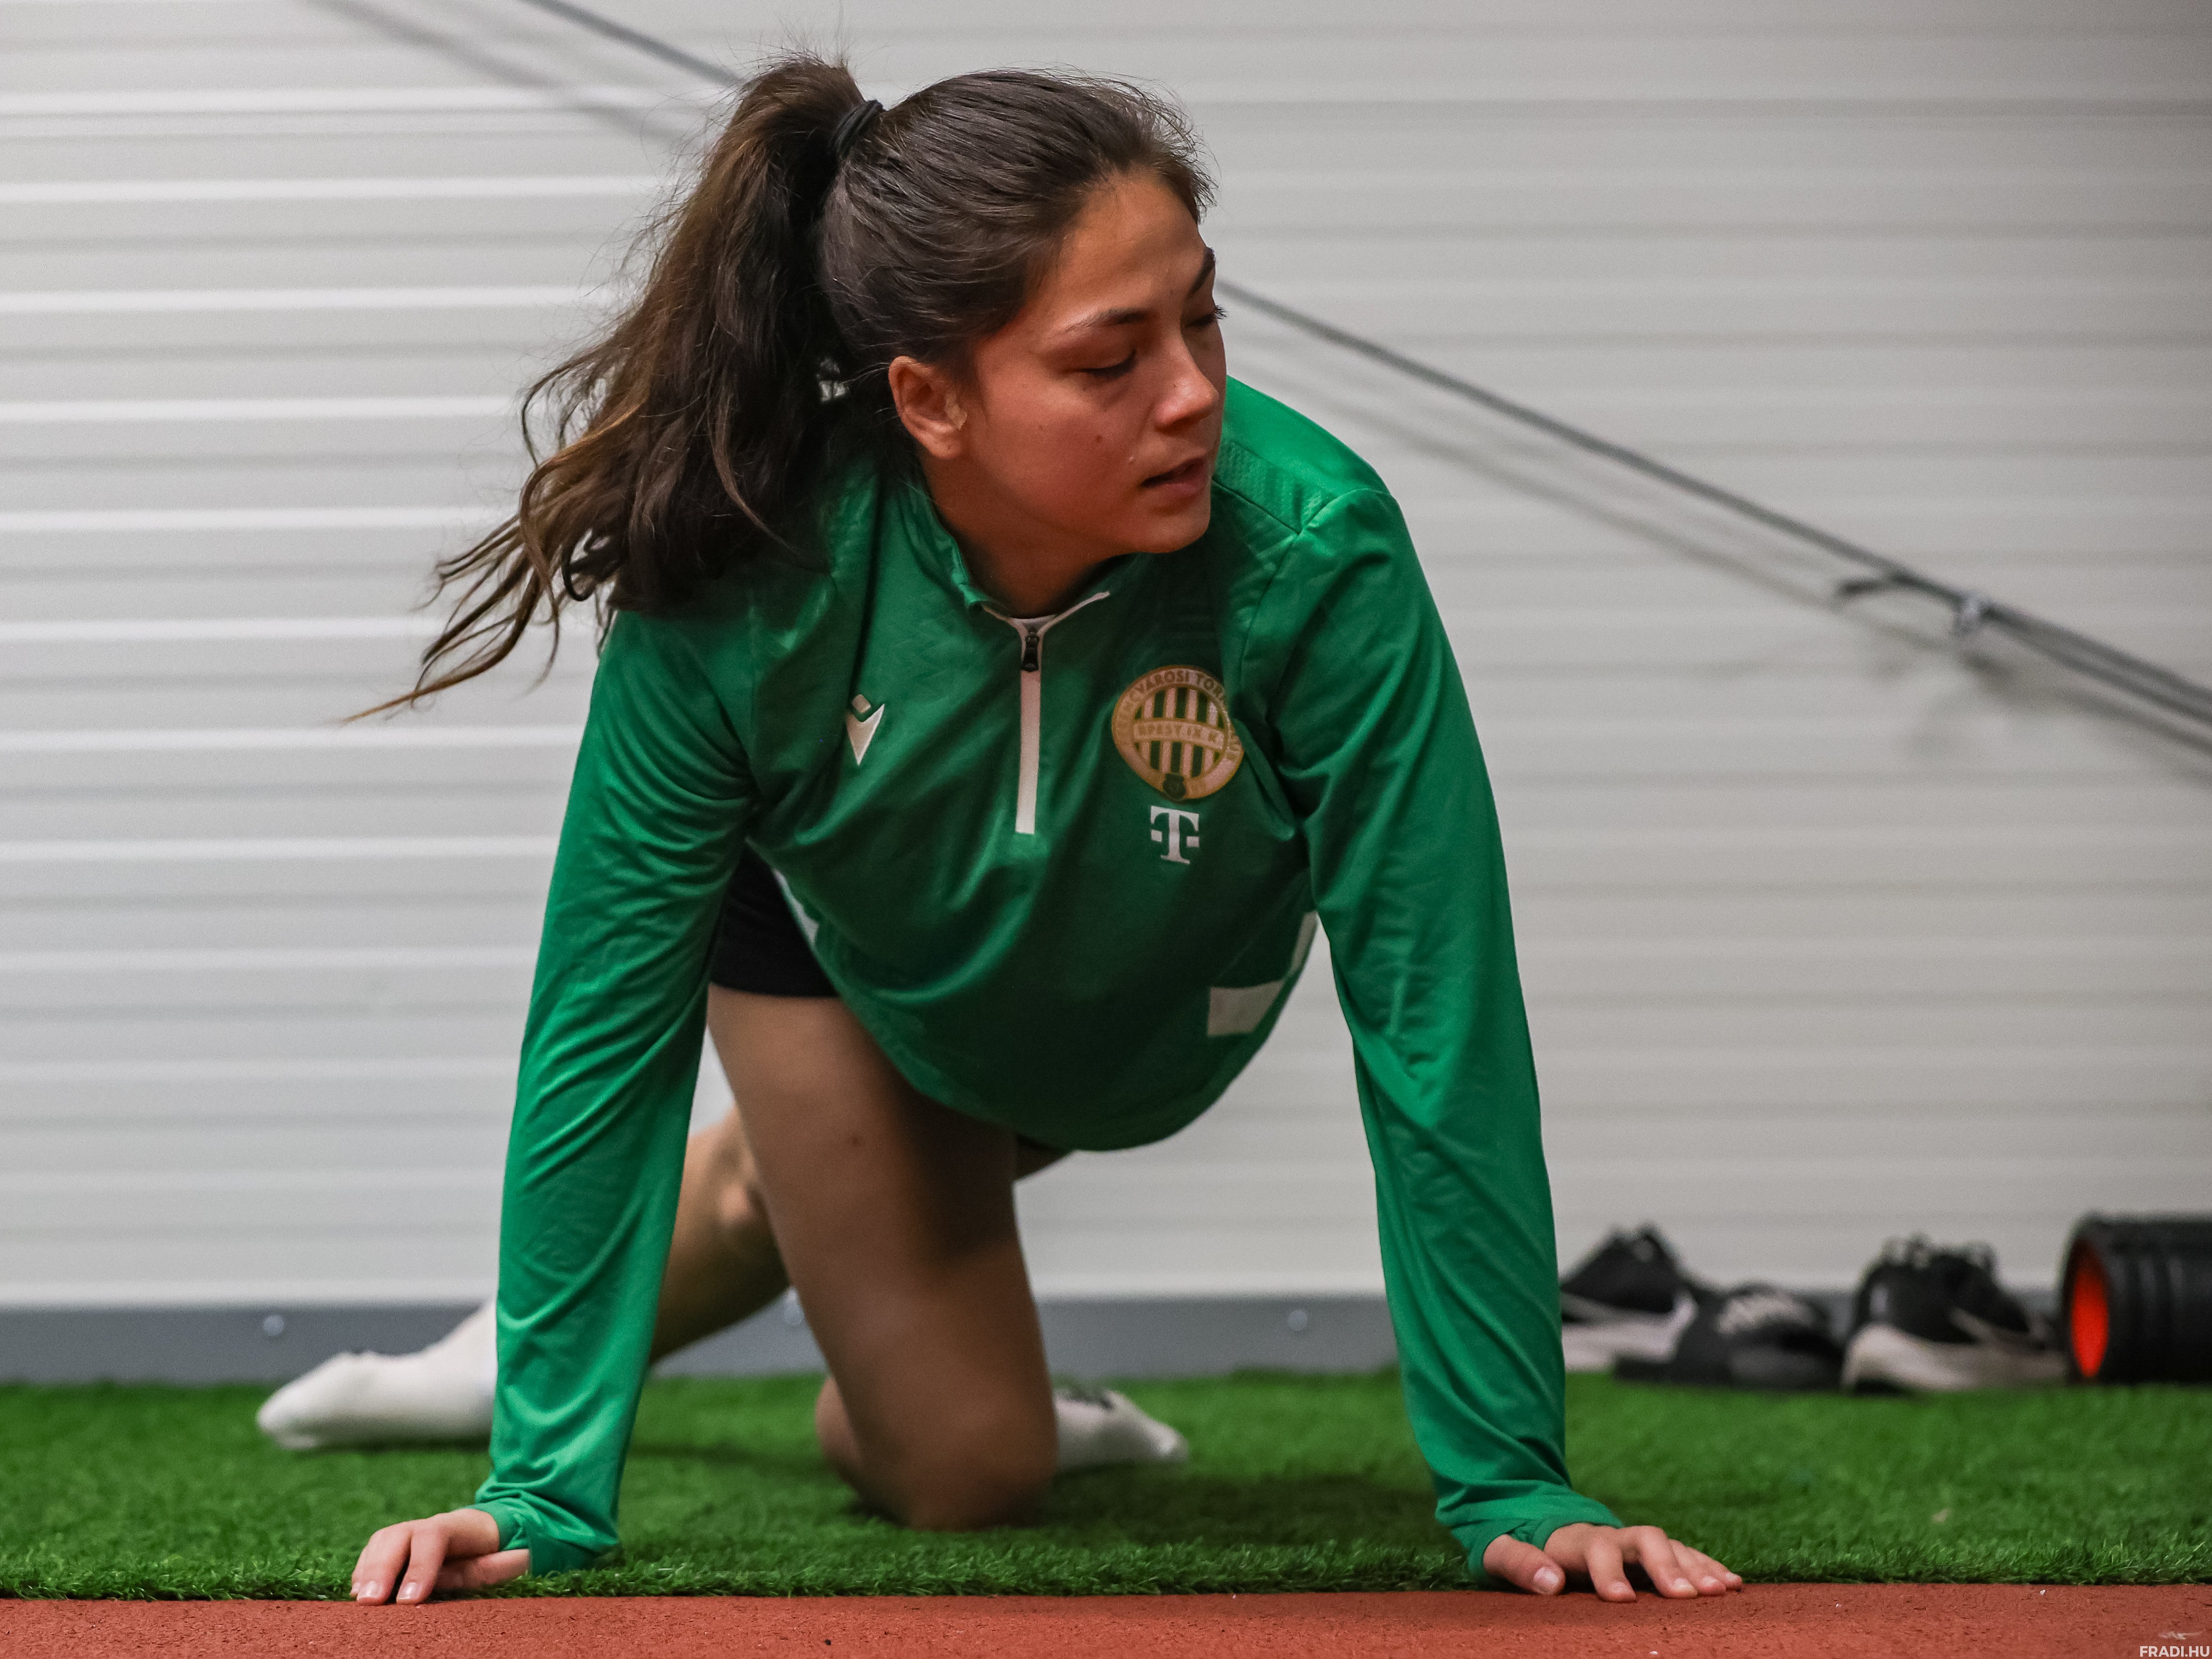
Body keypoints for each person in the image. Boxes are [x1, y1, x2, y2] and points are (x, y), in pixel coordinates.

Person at [344, 53, 1742, 1608]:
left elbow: (1436, 1012)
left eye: (1203, 317)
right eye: (1108, 360)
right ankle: (610, 1299)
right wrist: (543, 1476)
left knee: (842, 1218)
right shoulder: (748, 579)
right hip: (860, 965)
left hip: (1105, 986)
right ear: (929, 400)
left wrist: (1511, 1474)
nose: (1192, 393)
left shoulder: (1315, 553)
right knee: (967, 1465)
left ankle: (784, 1188)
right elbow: (606, 1024)